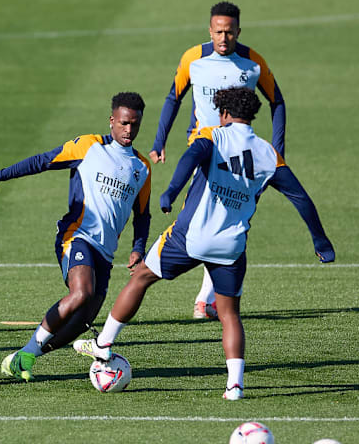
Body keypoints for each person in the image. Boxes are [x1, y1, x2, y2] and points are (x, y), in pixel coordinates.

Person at [74, 87, 334, 400]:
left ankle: (103, 343)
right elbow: (300, 198)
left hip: (190, 237)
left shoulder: (214, 136)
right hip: (231, 246)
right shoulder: (268, 154)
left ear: (223, 113)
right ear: (251, 115)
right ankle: (234, 386)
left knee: (141, 276)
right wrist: (321, 241)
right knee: (229, 314)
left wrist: (171, 191)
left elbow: (190, 157)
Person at [0, 92, 152, 381]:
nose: (129, 130)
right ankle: (26, 353)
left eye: (135, 125)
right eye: (124, 123)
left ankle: (25, 355)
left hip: (105, 252)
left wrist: (138, 248)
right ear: (112, 120)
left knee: (83, 320)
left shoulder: (142, 167)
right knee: (81, 293)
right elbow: (43, 161)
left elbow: (143, 215)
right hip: (75, 235)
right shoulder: (88, 146)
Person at [150, 1, 287, 319]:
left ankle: (203, 297)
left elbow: (277, 101)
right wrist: (159, 142)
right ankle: (185, 286)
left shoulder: (253, 63)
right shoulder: (193, 59)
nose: (223, 38)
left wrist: (278, 149)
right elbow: (174, 97)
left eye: (229, 32)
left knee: (224, 216)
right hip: (205, 147)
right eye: (218, 32)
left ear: (239, 30)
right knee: (210, 216)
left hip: (237, 151)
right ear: (209, 30)